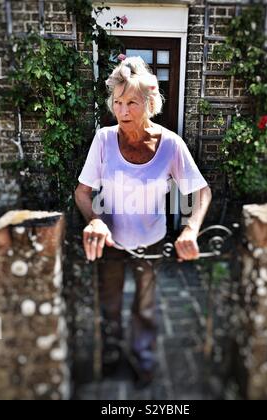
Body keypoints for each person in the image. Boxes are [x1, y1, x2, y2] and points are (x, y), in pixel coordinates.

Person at [75, 56, 212, 386]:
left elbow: (202, 192)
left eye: (131, 103)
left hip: (150, 242)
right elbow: (82, 193)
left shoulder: (170, 145)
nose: (122, 112)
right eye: (117, 103)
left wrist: (190, 229)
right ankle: (111, 357)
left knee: (145, 308)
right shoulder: (104, 139)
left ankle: (144, 360)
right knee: (109, 304)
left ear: (150, 103)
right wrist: (94, 220)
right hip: (109, 242)